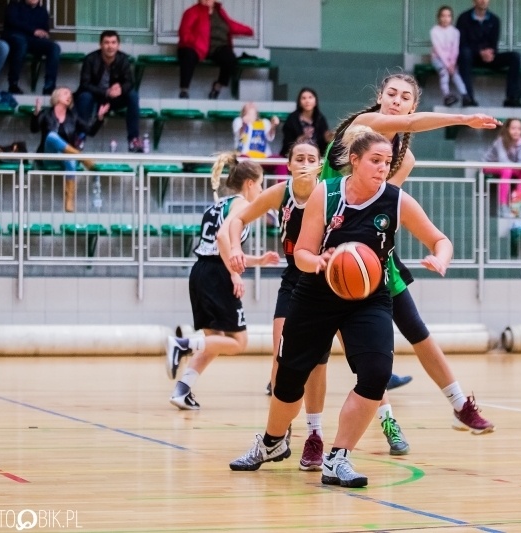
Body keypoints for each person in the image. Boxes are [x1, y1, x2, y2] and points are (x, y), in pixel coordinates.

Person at [228, 126, 453, 489]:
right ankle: (271, 442)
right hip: (316, 292)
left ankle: (338, 457)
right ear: (355, 160)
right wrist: (318, 261)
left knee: (376, 373)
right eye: (375, 161)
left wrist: (440, 258)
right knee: (288, 379)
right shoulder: (327, 193)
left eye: (387, 162)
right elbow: (302, 251)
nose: (382, 168)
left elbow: (439, 239)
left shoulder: (396, 201)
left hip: (368, 297)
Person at [323, 74, 497, 445]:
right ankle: (386, 420)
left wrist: (432, 252)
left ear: (412, 105)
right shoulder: (363, 125)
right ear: (380, 96)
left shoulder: (405, 158)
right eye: (391, 94)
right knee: (357, 345)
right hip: (327, 245)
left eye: (405, 97)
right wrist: (462, 119)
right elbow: (411, 125)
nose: (397, 101)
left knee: (415, 327)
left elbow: (383, 204)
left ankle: (460, 403)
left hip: (368, 248)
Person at [217, 139, 334, 470]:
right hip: (295, 280)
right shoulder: (281, 193)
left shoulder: (330, 193)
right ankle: (278, 436)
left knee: (318, 364)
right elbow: (236, 221)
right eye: (300, 158)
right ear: (289, 164)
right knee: (281, 361)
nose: (306, 163)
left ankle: (315, 435)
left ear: (320, 164)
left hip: (327, 281)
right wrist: (236, 249)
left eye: (311, 158)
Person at [165, 154, 279, 410]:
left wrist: (258, 261)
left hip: (201, 271)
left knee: (214, 342)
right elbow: (222, 238)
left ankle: (182, 390)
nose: (261, 190)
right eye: (260, 184)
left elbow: (218, 248)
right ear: (249, 183)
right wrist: (234, 273)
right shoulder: (241, 204)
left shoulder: (218, 205)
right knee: (239, 342)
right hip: (217, 275)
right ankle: (182, 344)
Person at [31, 87, 108, 212]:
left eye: (70, 94)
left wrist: (99, 118)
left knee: (70, 159)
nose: (69, 96)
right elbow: (34, 129)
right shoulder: (46, 114)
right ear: (57, 97)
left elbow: (90, 131)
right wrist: (36, 114)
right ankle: (81, 157)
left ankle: (69, 200)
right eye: (65, 93)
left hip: (65, 157)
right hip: (49, 156)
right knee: (51, 136)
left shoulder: (73, 116)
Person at [75, 30, 142, 153]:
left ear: (118, 45)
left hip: (115, 99)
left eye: (113, 42)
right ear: (100, 45)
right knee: (85, 97)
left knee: (133, 96)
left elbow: (129, 82)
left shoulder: (123, 59)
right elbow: (84, 84)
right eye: (106, 42)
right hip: (95, 97)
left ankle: (133, 140)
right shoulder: (90, 59)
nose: (110, 46)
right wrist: (106, 92)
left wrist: (120, 89)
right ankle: (80, 137)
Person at [177, 0, 254, 99]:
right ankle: (184, 90)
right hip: (196, 47)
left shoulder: (220, 12)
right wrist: (195, 42)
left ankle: (217, 87)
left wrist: (249, 30)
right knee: (188, 55)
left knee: (230, 59)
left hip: (217, 47)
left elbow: (230, 25)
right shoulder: (192, 12)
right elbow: (184, 32)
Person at [456, 0, 521, 107]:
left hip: (488, 58)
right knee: (464, 54)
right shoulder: (464, 18)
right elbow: (461, 43)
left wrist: (490, 52)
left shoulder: (494, 20)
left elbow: (494, 44)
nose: (483, 1)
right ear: (474, 1)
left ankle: (512, 98)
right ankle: (468, 98)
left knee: (515, 57)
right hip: (471, 58)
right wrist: (479, 52)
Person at [3, 0, 60, 95]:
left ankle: (49, 87)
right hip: (15, 38)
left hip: (33, 41)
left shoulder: (42, 11)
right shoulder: (14, 7)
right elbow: (13, 23)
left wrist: (44, 34)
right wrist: (33, 31)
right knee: (21, 44)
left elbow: (44, 29)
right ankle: (13, 84)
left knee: (54, 47)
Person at [484, 118, 521, 218]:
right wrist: (517, 167)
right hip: (490, 164)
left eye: (519, 129)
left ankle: (516, 207)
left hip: (509, 166)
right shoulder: (501, 140)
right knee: (507, 170)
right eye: (513, 128)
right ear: (507, 129)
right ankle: (502, 207)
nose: (516, 131)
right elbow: (502, 160)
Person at [431, 5, 468, 107]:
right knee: (444, 72)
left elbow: (455, 48)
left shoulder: (455, 32)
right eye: (443, 16)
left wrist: (452, 62)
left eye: (448, 16)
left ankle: (465, 94)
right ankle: (446, 95)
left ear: (451, 18)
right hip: (438, 58)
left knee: (455, 73)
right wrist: (447, 65)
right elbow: (438, 49)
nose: (445, 18)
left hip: (451, 60)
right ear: (439, 17)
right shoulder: (435, 31)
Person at [279, 88, 331, 161]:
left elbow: (323, 145)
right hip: (295, 157)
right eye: (303, 98)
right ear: (299, 102)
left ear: (315, 101)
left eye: (310, 97)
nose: (307, 101)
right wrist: (301, 139)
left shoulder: (320, 118)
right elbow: (287, 143)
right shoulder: (292, 119)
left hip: (315, 158)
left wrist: (327, 140)